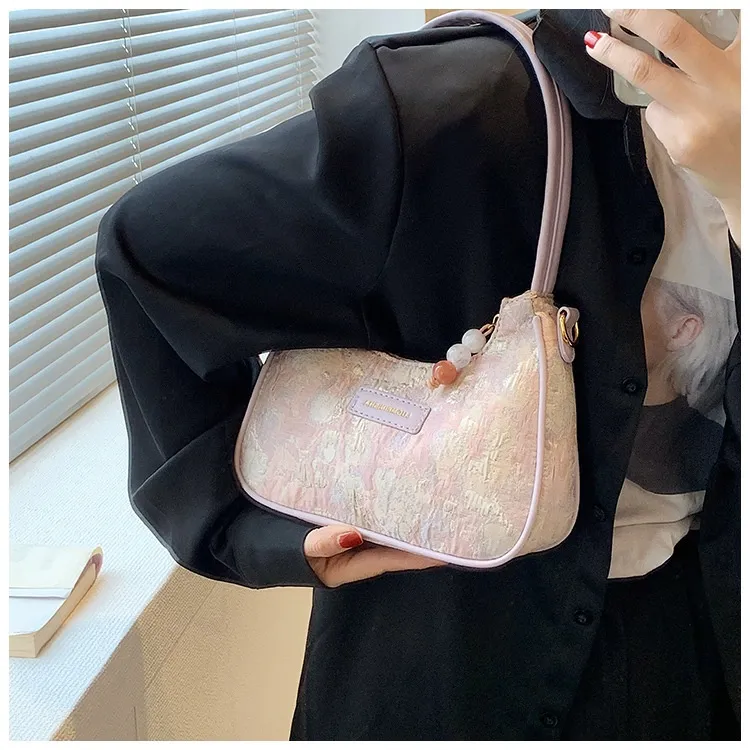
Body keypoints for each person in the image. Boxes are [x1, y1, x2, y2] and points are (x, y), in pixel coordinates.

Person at [95, 10, 740, 740]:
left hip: (695, 649)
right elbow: (151, 249)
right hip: (447, 654)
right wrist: (242, 524)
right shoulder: (461, 108)